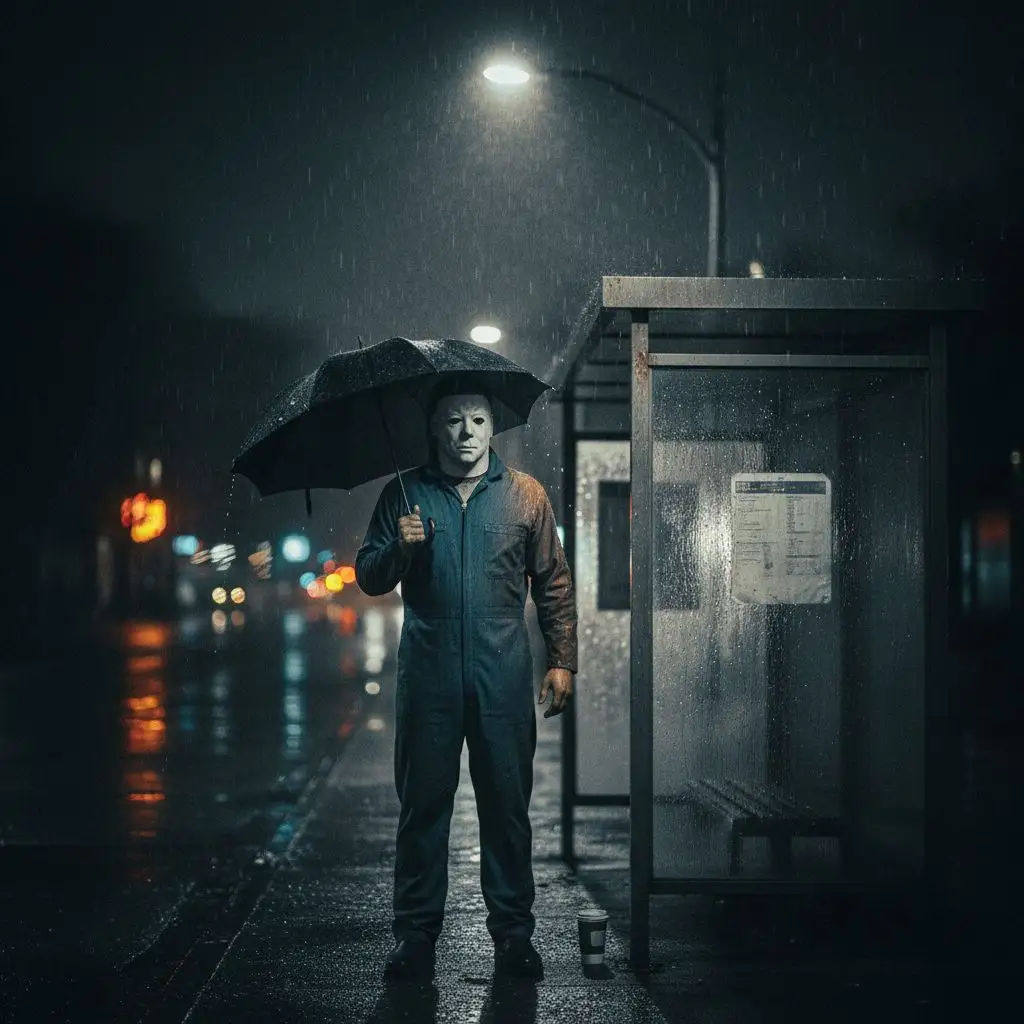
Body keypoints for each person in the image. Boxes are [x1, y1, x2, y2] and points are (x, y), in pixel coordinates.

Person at [355, 378, 577, 981]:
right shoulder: (403, 496)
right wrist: (399, 550)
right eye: (453, 420)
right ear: (434, 427)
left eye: (476, 420)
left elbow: (553, 581)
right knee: (422, 809)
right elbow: (368, 577)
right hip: (427, 676)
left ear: (492, 426)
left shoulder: (525, 496)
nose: (466, 432)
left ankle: (512, 937)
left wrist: (563, 659)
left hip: (502, 674)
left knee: (507, 809)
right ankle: (415, 939)